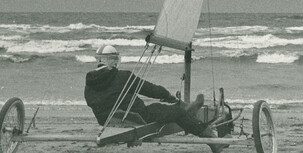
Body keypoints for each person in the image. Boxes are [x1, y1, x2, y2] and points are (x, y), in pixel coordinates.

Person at [83, 43, 230, 137]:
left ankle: (187, 110)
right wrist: (167, 95)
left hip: (106, 121)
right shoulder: (123, 76)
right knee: (174, 112)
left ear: (98, 60)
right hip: (135, 117)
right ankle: (208, 134)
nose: (116, 62)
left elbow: (92, 102)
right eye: (115, 59)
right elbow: (149, 89)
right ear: (113, 60)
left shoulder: (89, 84)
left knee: (163, 110)